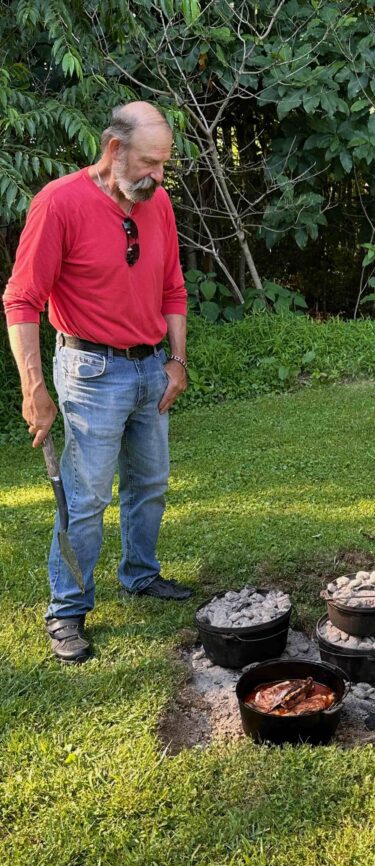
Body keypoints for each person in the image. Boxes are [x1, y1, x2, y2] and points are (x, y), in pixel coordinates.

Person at [4, 101, 192, 663]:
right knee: (85, 499)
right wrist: (32, 387)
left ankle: (140, 574)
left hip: (150, 367)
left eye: (164, 165)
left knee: (151, 484)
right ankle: (67, 609)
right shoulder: (59, 203)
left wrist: (177, 360)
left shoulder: (158, 206)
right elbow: (21, 300)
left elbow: (174, 290)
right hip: (90, 372)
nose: (158, 177)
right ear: (114, 149)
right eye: (150, 163)